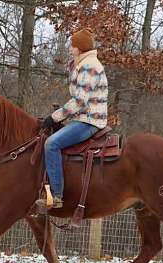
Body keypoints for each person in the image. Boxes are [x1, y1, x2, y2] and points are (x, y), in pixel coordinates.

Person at [37, 28, 108, 209]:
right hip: (83, 117)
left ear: (80, 48)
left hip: (90, 120)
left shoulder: (89, 66)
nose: (70, 49)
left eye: (73, 45)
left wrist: (55, 117)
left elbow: (80, 100)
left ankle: (56, 197)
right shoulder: (82, 64)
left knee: (51, 144)